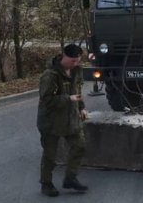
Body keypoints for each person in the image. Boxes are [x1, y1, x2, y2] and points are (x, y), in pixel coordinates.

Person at [37, 44, 89, 197]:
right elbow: (46, 100)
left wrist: (81, 107)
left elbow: (77, 92)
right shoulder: (50, 75)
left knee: (80, 146)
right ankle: (46, 184)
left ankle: (70, 178)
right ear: (63, 56)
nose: (75, 64)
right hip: (51, 122)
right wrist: (68, 99)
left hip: (71, 119)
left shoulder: (76, 70)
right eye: (72, 61)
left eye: (77, 61)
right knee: (50, 155)